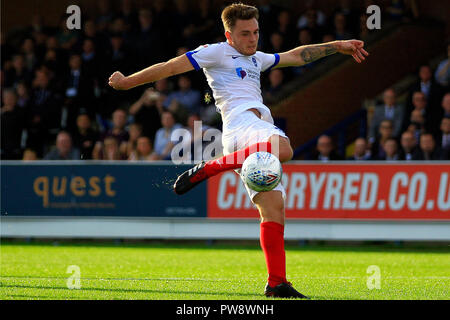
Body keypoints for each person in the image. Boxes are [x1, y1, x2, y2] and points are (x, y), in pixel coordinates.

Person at [108, 3, 368, 299]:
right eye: (245, 34)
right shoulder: (215, 51)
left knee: (273, 209)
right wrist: (128, 82)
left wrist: (338, 45)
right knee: (285, 148)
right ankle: (211, 167)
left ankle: (277, 283)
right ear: (229, 35)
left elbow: (297, 55)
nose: (253, 39)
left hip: (243, 139)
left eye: (256, 32)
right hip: (245, 126)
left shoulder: (256, 57)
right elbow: (170, 66)